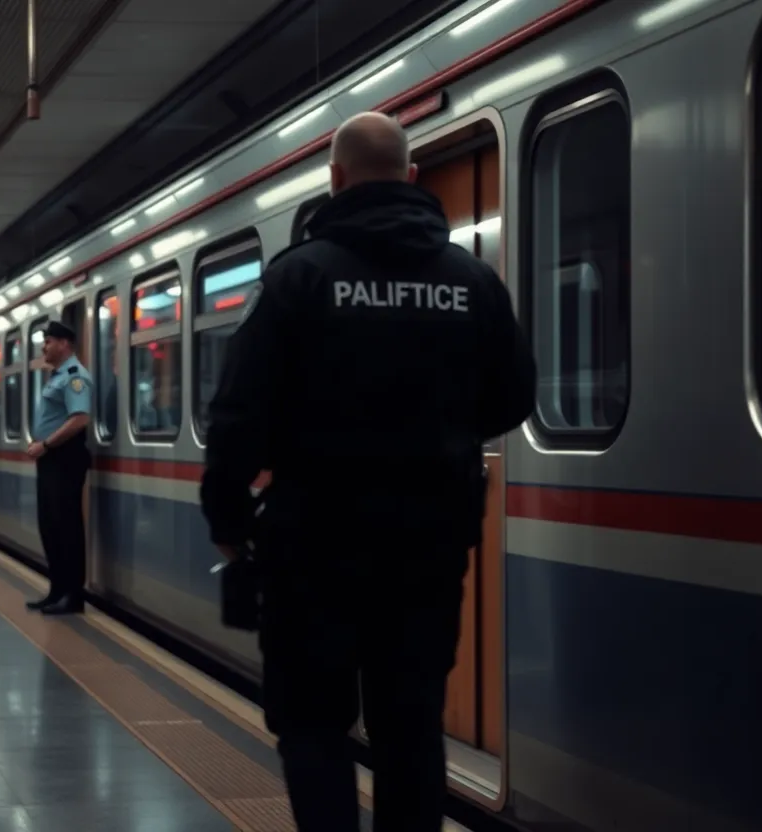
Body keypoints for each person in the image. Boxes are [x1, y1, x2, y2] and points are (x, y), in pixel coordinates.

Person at [199, 112, 536, 831]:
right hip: (428, 550)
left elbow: (237, 415)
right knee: (410, 724)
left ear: (335, 179)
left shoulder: (298, 279)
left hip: (312, 548)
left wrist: (228, 521)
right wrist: (437, 436)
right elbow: (515, 395)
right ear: (413, 178)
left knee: (314, 723)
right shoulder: (472, 282)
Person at [24, 320, 93, 615]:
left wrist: (47, 444)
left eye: (48, 341)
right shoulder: (56, 377)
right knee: (50, 527)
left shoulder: (75, 377)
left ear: (64, 343)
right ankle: (56, 591)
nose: (44, 347)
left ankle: (73, 596)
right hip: (50, 458)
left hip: (64, 457)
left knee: (67, 528)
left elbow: (80, 419)